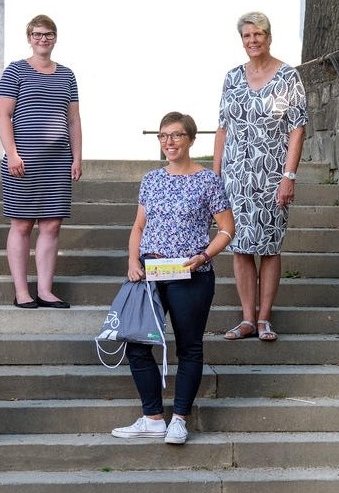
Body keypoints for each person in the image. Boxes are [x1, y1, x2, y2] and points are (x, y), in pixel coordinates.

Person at [111, 112, 234, 445]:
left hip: (191, 274)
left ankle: (179, 418)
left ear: (191, 139)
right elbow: (139, 226)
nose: (169, 142)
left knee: (190, 347)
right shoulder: (151, 179)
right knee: (136, 343)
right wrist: (132, 260)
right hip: (150, 273)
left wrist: (205, 256)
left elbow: (226, 229)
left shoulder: (208, 180)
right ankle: (152, 417)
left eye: (177, 135)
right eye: (163, 136)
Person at [213, 11, 308, 342]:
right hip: (235, 175)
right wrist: (215, 175)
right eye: (247, 36)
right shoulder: (232, 77)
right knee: (239, 246)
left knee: (269, 246)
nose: (253, 41)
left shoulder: (288, 77)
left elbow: (298, 129)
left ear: (269, 37)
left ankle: (265, 318)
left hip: (271, 175)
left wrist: (289, 175)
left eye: (259, 35)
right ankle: (247, 319)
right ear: (242, 40)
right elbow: (223, 128)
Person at [0, 14, 83, 310]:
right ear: (29, 37)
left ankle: (45, 290)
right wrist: (12, 152)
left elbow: (73, 119)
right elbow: (3, 115)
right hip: (23, 163)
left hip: (58, 163)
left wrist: (77, 157)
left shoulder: (67, 75)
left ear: (55, 37)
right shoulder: (15, 71)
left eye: (48, 34)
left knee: (51, 226)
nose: (42, 39)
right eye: (37, 34)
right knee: (21, 225)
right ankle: (22, 292)